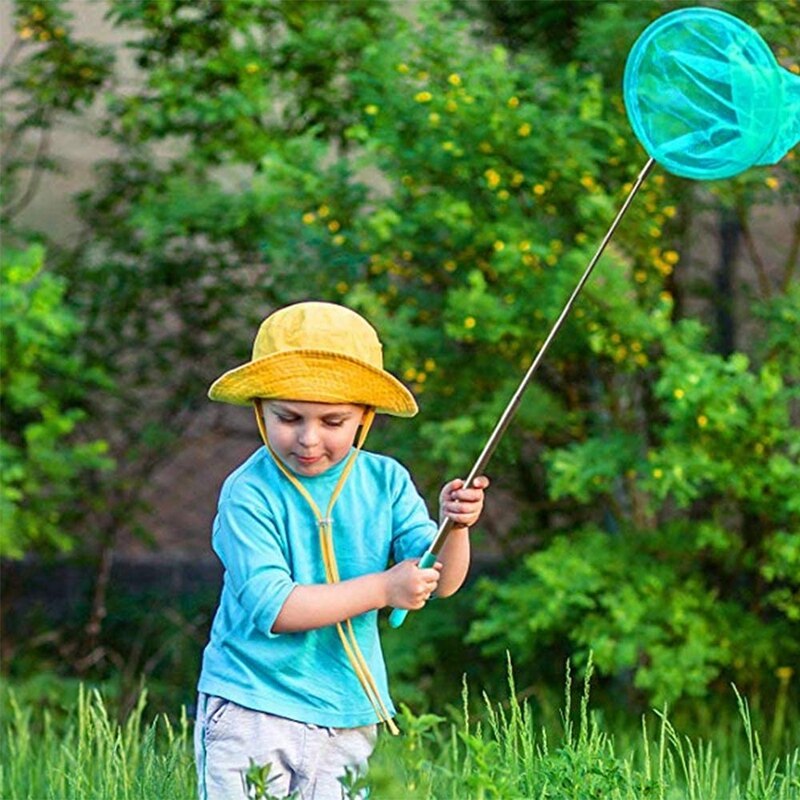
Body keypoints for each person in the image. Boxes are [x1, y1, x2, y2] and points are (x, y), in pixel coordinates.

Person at [195, 300, 489, 800]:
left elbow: (440, 579)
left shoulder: (385, 481)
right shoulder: (249, 492)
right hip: (254, 704)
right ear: (260, 412)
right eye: (289, 417)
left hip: (346, 711)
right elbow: (278, 607)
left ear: (364, 418)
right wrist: (384, 587)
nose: (309, 439)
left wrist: (454, 527)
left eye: (332, 421)